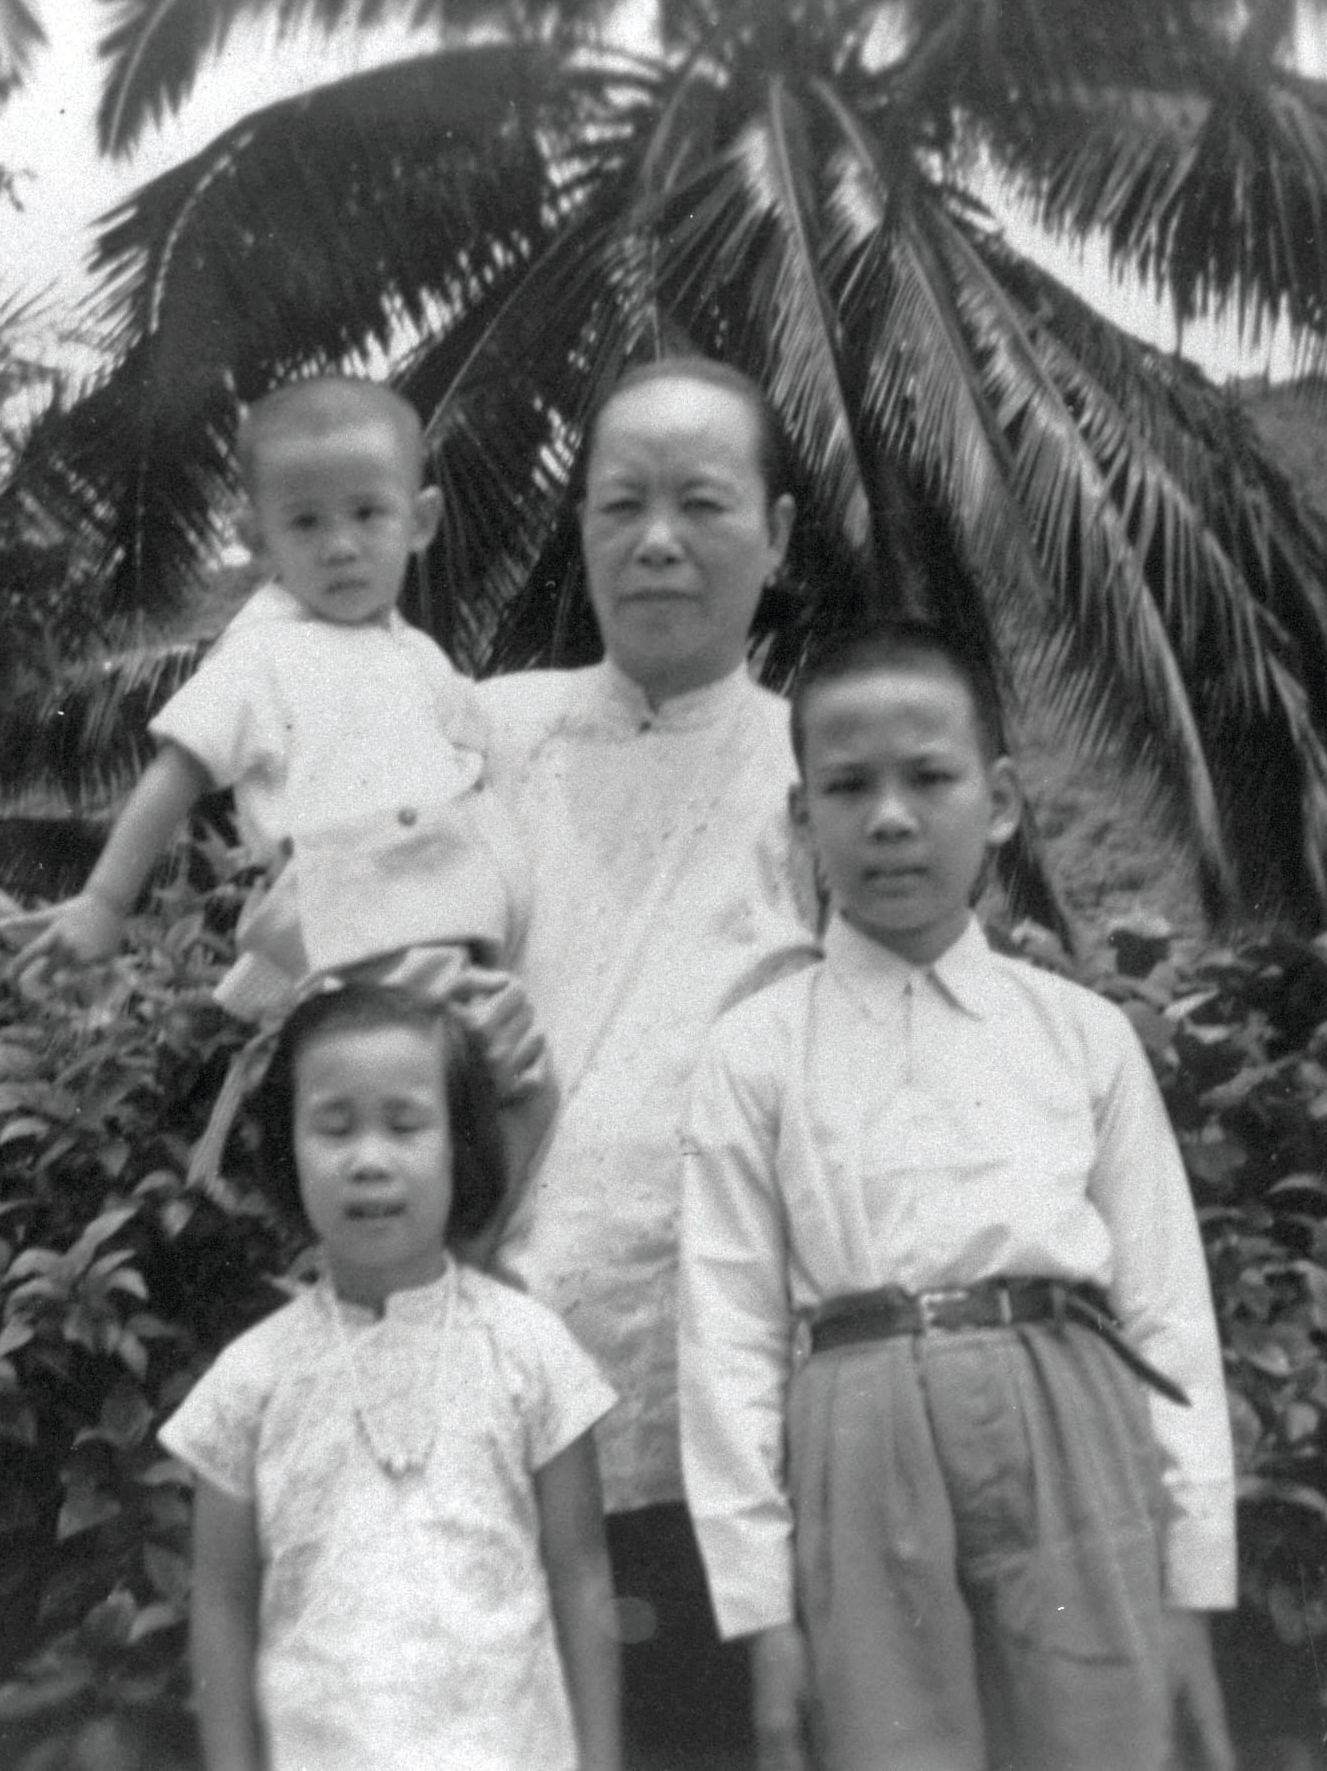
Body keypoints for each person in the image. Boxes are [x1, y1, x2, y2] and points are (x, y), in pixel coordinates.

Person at [676, 619, 1238, 1771]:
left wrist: (1192, 1575)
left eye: (928, 777)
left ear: (1000, 801)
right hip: (856, 1426)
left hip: (1069, 1416)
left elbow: (1168, 1307)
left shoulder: (1077, 1034)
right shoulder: (757, 1051)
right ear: (800, 819)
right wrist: (761, 1611)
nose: (890, 816)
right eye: (847, 785)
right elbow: (725, 1334)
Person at [476, 358, 820, 1766]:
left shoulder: (827, 769)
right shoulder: (484, 732)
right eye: (618, 504)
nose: (655, 539)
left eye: (699, 503)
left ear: (778, 536)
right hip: (484, 1388)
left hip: (729, 1410)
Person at [7, 373, 548, 1169]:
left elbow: (483, 762)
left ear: (420, 520)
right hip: (365, 928)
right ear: (259, 540)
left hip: (443, 929)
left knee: (493, 1102)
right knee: (462, 1105)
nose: (339, 545)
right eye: (305, 522)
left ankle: (456, 1264)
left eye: (368, 514)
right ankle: (444, 1267)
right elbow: (174, 773)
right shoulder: (262, 654)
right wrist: (103, 900)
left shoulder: (418, 657)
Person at [161, 982, 622, 1771]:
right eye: (333, 1128)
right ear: (286, 1152)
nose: (369, 1161)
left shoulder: (531, 1350)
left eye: (405, 1126)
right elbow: (222, 1611)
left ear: (460, 1146)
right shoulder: (250, 1382)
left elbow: (581, 1581)